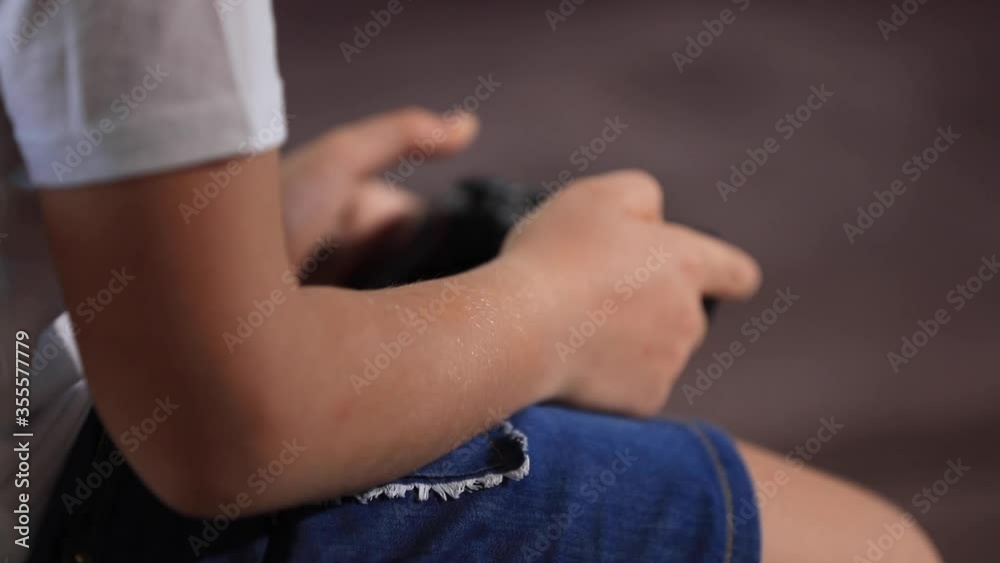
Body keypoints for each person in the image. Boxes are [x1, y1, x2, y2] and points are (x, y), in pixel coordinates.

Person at [0, 1, 943, 562]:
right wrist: (564, 308)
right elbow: (227, 433)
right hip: (52, 499)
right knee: (864, 547)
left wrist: (217, 249)